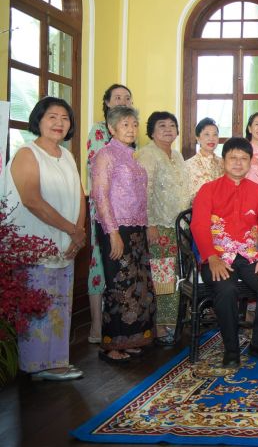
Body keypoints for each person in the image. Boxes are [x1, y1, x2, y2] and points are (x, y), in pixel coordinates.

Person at [4, 97, 85, 380]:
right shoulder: (27, 153)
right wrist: (70, 228)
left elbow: (79, 195)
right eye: (52, 116)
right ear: (38, 120)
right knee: (38, 303)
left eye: (65, 118)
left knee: (60, 303)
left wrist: (79, 230)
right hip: (34, 242)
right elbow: (32, 200)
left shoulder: (68, 156)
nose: (59, 123)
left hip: (66, 242)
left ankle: (57, 361)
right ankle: (36, 366)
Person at [191, 137, 258, 368]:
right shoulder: (208, 190)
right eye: (233, 158)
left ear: (250, 162)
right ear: (224, 161)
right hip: (217, 257)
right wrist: (211, 257)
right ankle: (231, 349)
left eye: (244, 158)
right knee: (226, 287)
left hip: (251, 255)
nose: (238, 163)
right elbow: (199, 226)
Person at [91, 106, 155, 364]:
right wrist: (113, 233)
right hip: (115, 228)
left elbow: (140, 198)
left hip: (136, 229)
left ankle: (131, 339)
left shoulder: (132, 157)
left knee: (137, 286)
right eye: (125, 124)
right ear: (112, 128)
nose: (131, 129)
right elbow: (100, 195)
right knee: (118, 285)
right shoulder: (105, 156)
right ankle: (110, 345)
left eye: (134, 124)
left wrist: (146, 225)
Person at [135, 111, 192, 346]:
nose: (168, 129)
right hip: (158, 226)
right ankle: (161, 327)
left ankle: (175, 322)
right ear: (151, 130)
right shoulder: (147, 155)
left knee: (177, 275)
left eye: (172, 125)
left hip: (180, 227)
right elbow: (142, 193)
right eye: (162, 125)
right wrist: (148, 224)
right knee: (163, 276)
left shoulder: (177, 155)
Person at [85, 84, 133, 344]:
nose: (122, 101)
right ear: (106, 102)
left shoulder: (130, 130)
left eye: (127, 98)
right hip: (104, 209)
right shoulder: (99, 131)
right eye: (117, 98)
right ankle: (95, 327)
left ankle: (118, 326)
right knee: (99, 264)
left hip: (127, 213)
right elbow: (99, 175)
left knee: (120, 267)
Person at [184, 117, 224, 199]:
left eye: (215, 134)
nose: (211, 138)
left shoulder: (223, 163)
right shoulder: (187, 166)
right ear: (198, 138)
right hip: (198, 209)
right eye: (207, 134)